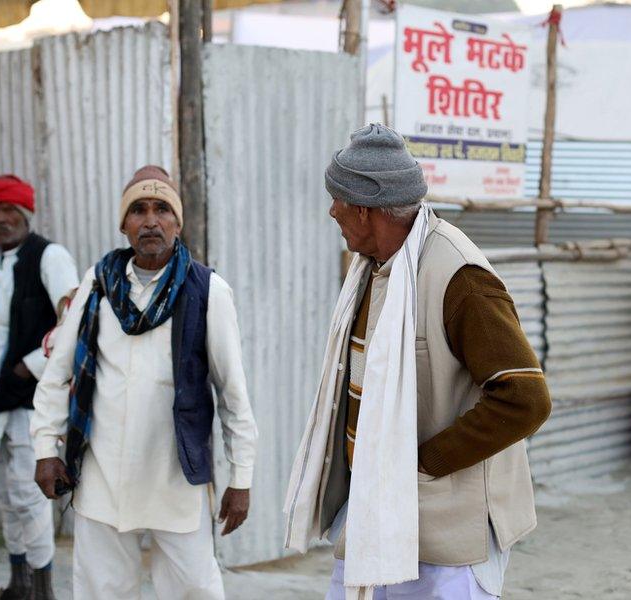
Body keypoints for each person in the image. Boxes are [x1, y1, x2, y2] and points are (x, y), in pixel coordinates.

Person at [283, 125, 552, 600]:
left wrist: (425, 462)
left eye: (338, 199)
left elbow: (526, 399)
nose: (332, 211)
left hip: (449, 530)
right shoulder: (376, 267)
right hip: (378, 511)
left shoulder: (459, 277)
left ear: (364, 209)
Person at [30, 165, 258, 600]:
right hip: (102, 475)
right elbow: (58, 373)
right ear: (124, 224)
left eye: (161, 209)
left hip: (175, 476)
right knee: (102, 591)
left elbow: (233, 395)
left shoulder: (208, 290)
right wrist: (45, 448)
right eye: (138, 210)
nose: (151, 221)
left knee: (195, 590)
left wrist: (241, 477)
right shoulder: (97, 282)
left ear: (177, 222)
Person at [0, 174, 79, 600]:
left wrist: (29, 367)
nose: (1, 220)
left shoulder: (49, 256)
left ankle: (43, 591)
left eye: (10, 211)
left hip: (31, 400)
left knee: (30, 496)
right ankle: (19, 584)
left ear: (25, 214)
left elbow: (75, 321)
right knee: (7, 497)